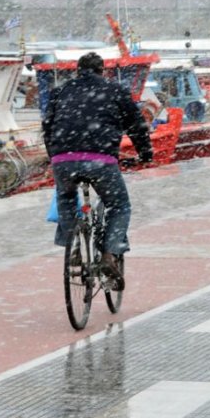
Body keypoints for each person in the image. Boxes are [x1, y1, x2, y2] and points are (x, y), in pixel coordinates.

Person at [42, 51, 154, 289]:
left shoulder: (59, 92)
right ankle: (109, 256)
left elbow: (48, 126)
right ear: (102, 70)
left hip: (64, 158)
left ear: (77, 71)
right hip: (101, 160)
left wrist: (55, 157)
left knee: (65, 196)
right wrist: (145, 153)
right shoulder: (115, 91)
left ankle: (72, 245)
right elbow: (136, 125)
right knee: (119, 205)